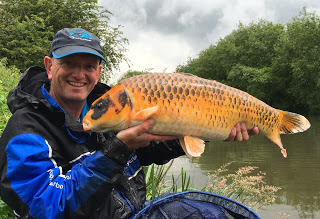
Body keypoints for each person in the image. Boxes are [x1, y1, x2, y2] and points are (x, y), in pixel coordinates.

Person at [0, 28, 259, 219]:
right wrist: (117, 150)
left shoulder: (108, 110)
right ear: (49, 66)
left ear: (98, 71)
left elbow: (145, 149)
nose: (79, 74)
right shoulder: (26, 131)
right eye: (68, 63)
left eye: (89, 66)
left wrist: (210, 128)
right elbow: (45, 207)